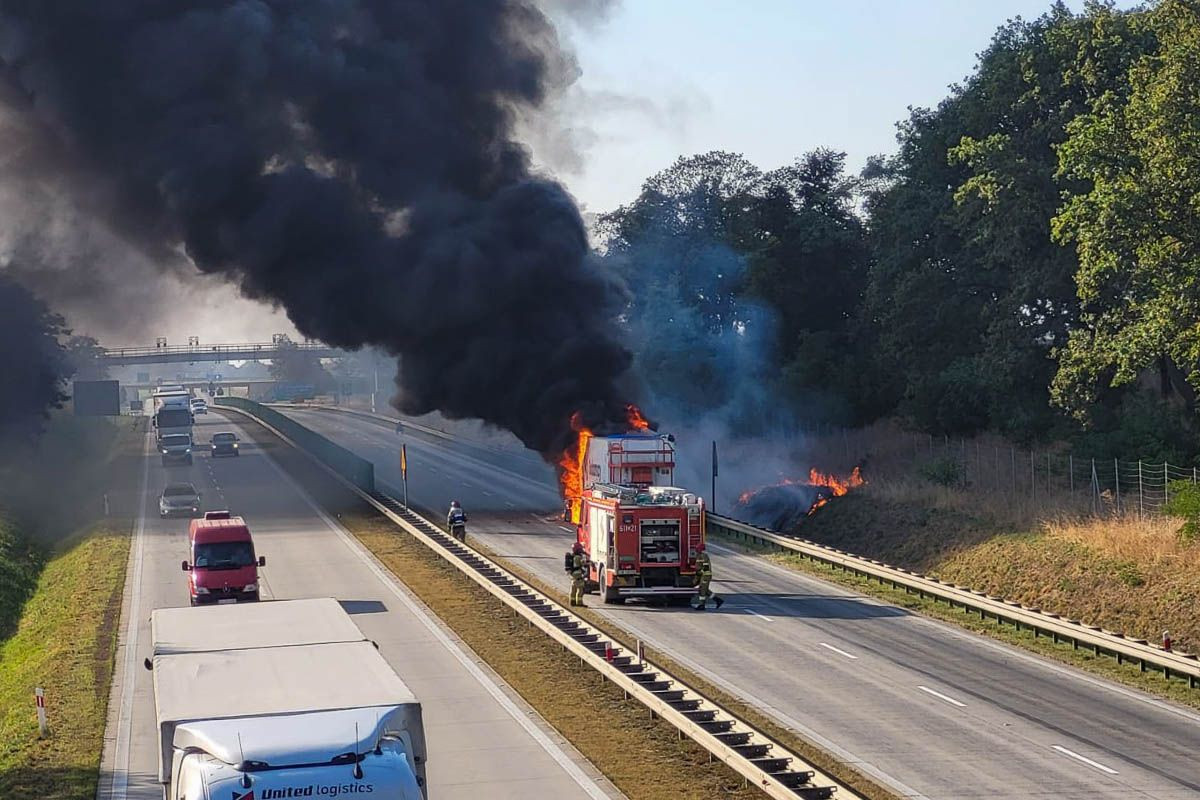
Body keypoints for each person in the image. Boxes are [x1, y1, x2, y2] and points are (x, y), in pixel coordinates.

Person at [693, 543, 723, 610]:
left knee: (702, 590)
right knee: (705, 590)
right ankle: (718, 600)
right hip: (703, 575)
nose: (696, 550)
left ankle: (702, 605)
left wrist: (700, 573)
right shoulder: (700, 555)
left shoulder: (704, 556)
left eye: (697, 549)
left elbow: (705, 568)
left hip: (705, 576)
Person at [569, 542, 587, 607]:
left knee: (573, 589)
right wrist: (587, 561)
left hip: (573, 575)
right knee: (580, 589)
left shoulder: (572, 556)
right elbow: (582, 564)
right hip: (578, 575)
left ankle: (572, 602)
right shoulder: (578, 557)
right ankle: (579, 603)